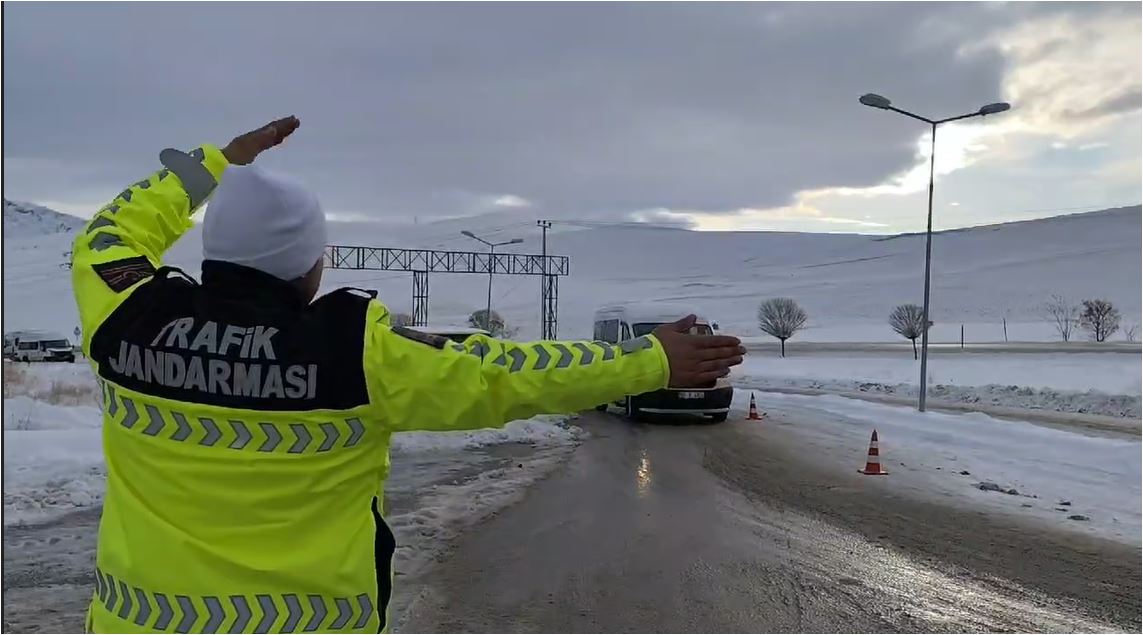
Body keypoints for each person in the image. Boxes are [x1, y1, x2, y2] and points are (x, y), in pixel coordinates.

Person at [71, 116, 745, 634]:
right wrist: (647, 359)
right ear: (309, 265)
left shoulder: (125, 314)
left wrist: (216, 164)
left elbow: (108, 234)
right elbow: (504, 374)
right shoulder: (356, 354)